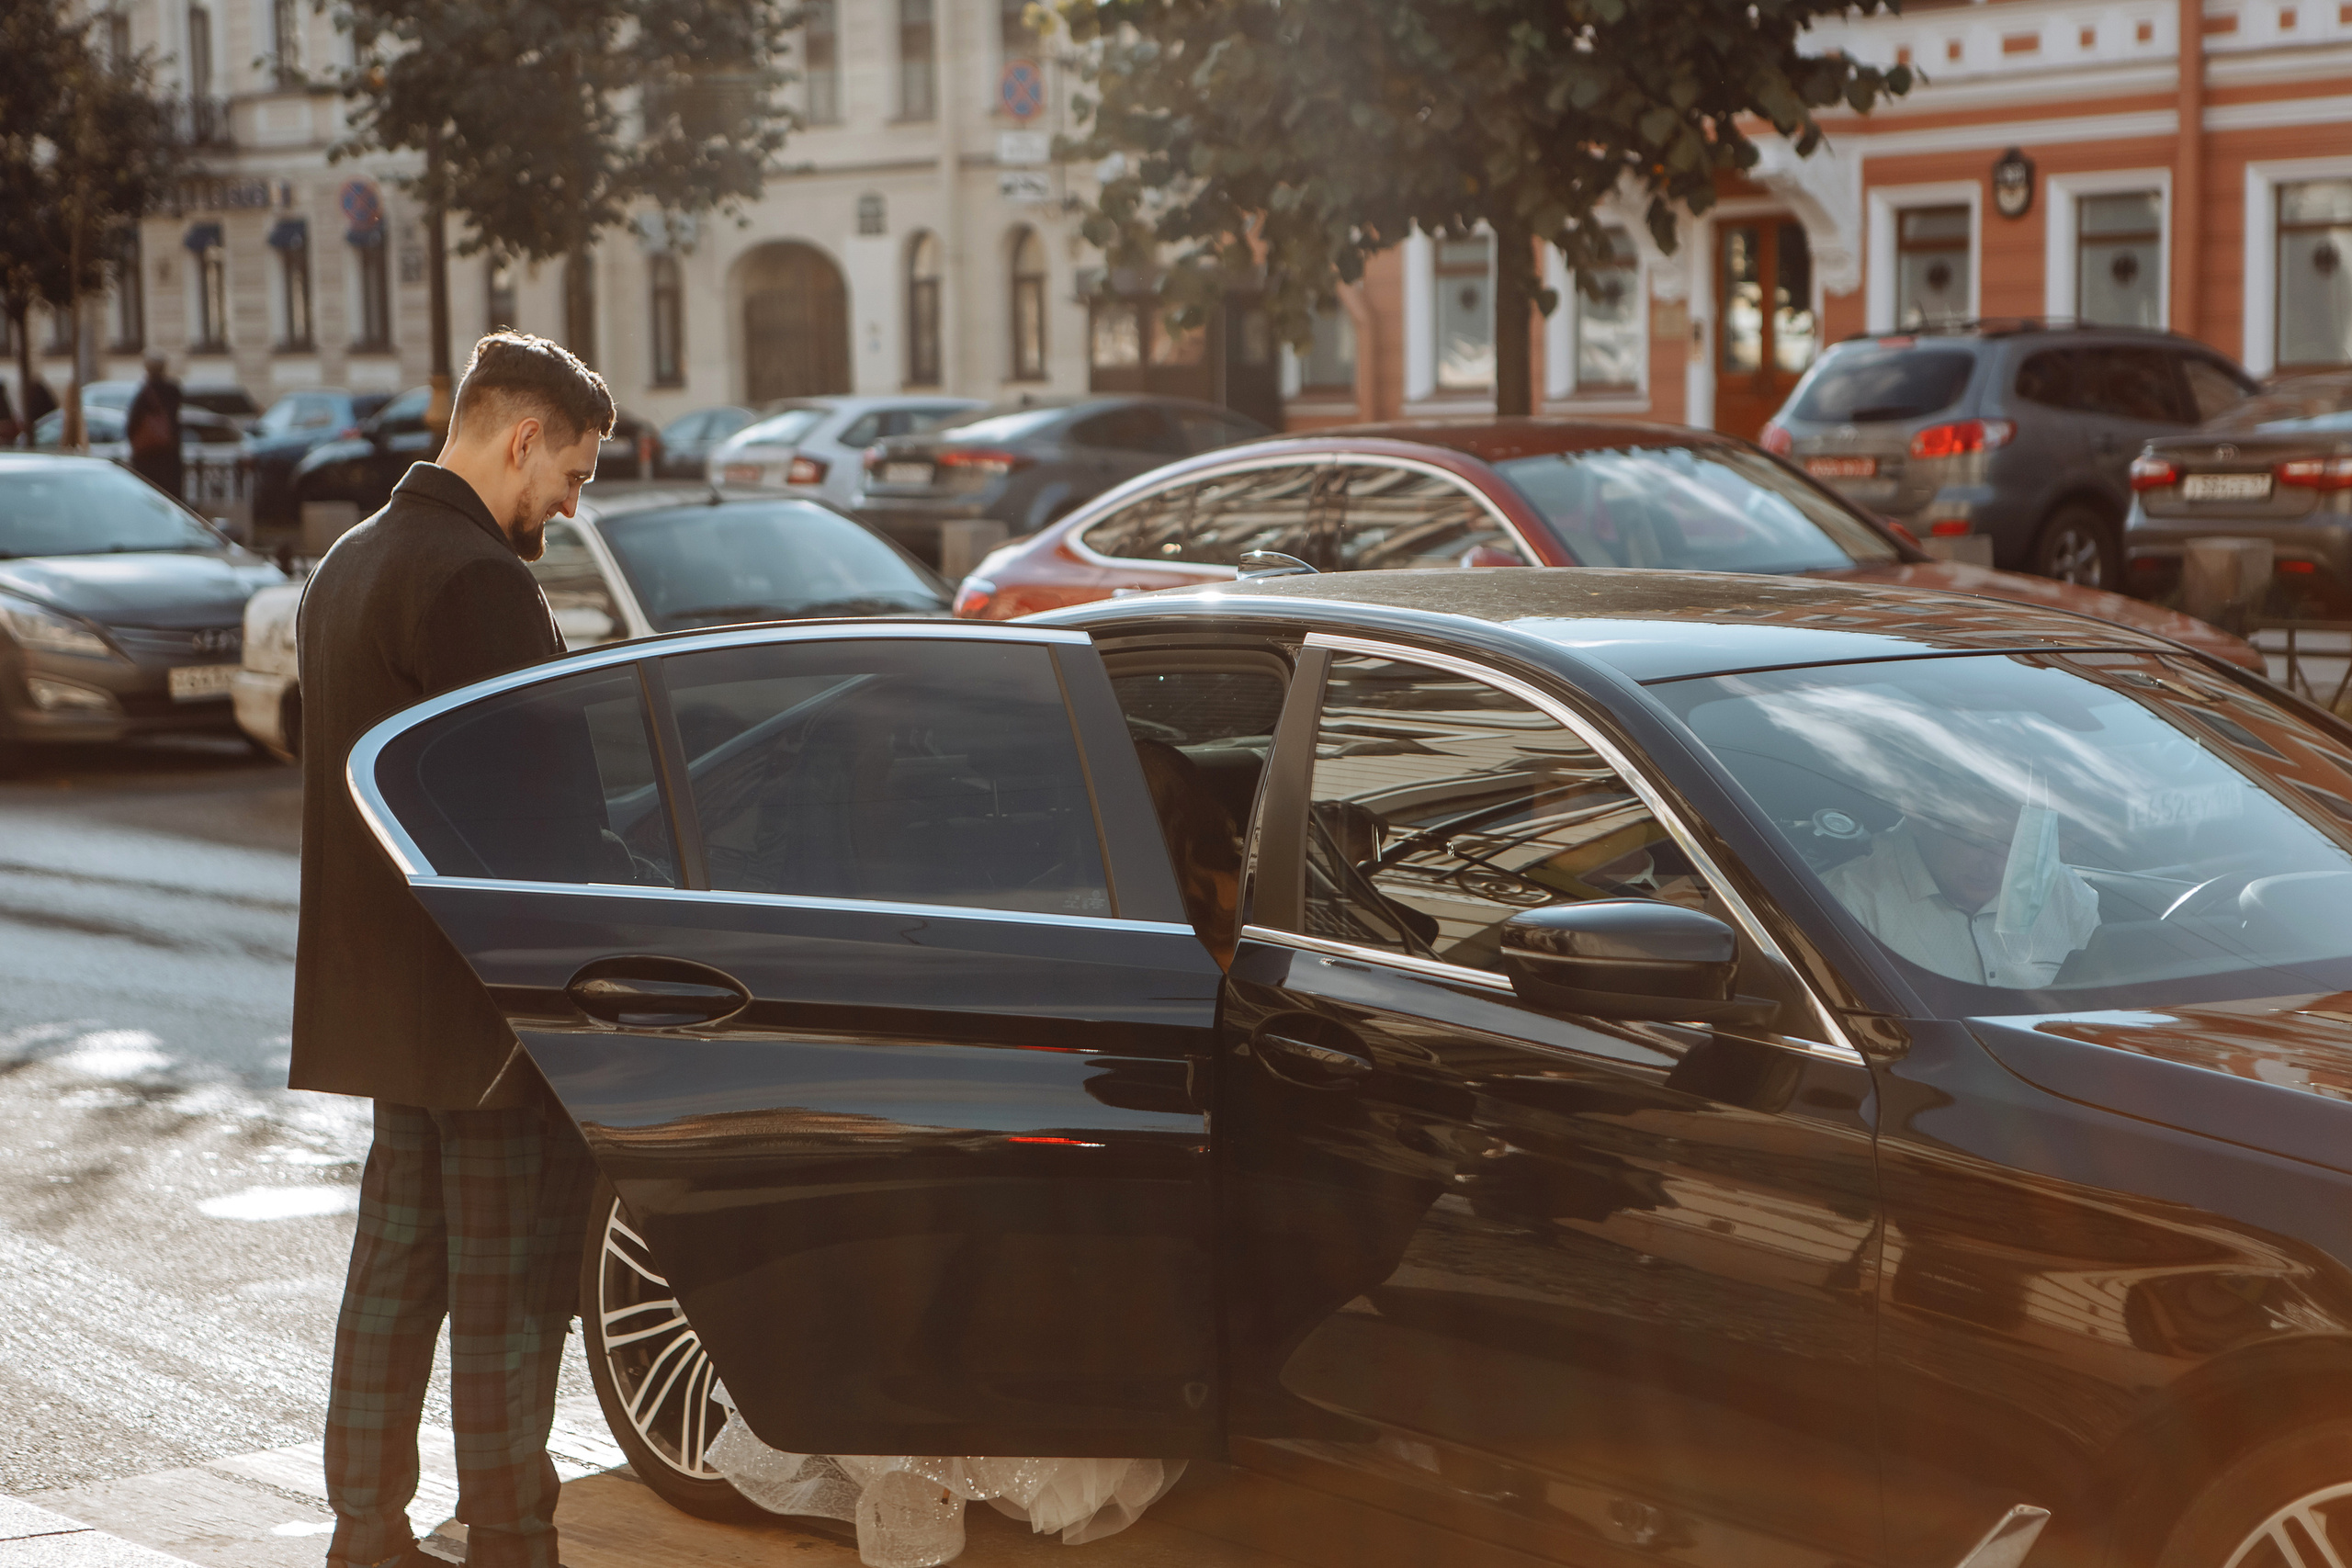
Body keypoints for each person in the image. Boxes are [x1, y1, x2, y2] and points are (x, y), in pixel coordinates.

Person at [290, 331, 614, 1568]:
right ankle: (512, 1537)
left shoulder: (349, 561)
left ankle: (365, 1529)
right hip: (489, 1003)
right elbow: (542, 805)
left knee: (394, 1273)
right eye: (572, 476)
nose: (569, 509)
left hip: (385, 1000)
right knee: (508, 1289)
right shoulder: (477, 578)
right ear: (522, 438)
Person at [1822, 809, 2099, 988]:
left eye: (2017, 846)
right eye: (1979, 841)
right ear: (1918, 817)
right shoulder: (1845, 902)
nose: (1999, 866)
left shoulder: (2065, 892)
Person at [124, 353, 183, 498]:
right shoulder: (173, 390)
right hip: (170, 454)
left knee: (150, 495)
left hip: (148, 455)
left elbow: (132, 425)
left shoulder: (145, 393)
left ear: (147, 369)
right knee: (170, 497)